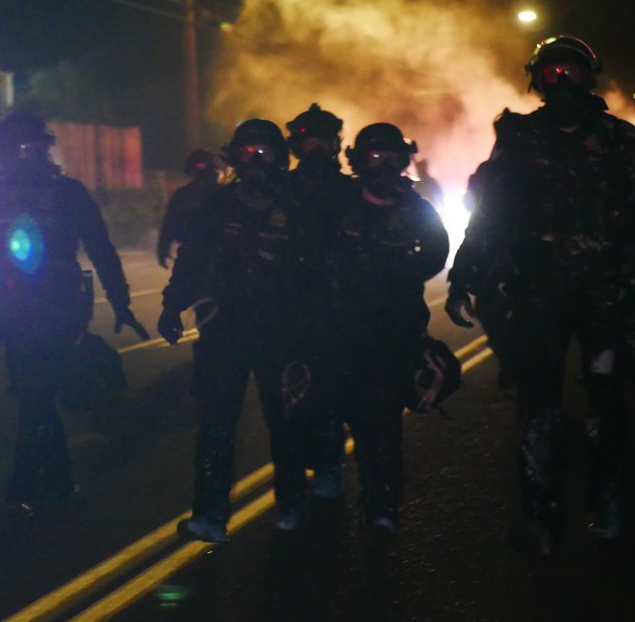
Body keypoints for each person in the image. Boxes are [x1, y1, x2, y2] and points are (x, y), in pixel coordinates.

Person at [445, 35, 635, 554]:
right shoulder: (519, 140)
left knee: (605, 402)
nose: (561, 83)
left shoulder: (619, 138)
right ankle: (541, 515)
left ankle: (607, 503)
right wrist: (464, 276)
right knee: (538, 405)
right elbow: (490, 213)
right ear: (536, 80)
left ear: (590, 77)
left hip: (605, 292)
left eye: (571, 74)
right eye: (551, 75)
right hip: (538, 292)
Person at [0, 113, 148, 514]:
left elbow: (101, 248)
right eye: (25, 148)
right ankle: (59, 479)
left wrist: (121, 300)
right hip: (15, 309)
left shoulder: (67, 193)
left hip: (59, 307)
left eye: (39, 147)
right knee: (34, 393)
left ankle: (24, 486)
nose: (34, 155)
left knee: (36, 395)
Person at [158, 119, 311, 542]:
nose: (258, 162)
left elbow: (321, 271)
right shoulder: (219, 205)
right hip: (226, 330)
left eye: (265, 153)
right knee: (216, 423)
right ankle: (210, 515)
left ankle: (292, 506)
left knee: (286, 423)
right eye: (248, 154)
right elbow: (190, 259)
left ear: (281, 158)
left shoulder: (299, 205)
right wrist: (173, 306)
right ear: (234, 159)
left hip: (282, 332)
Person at [327, 123, 449, 537]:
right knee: (346, 416)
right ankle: (354, 490)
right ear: (358, 161)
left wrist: (399, 273)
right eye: (374, 158)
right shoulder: (337, 205)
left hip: (396, 328)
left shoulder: (416, 209)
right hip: (342, 328)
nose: (382, 166)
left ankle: (383, 504)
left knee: (384, 423)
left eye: (391, 158)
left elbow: (436, 251)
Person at [284, 103, 355, 500]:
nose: (313, 148)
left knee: (331, 392)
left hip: (339, 304)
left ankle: (329, 466)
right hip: (290, 304)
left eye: (320, 141)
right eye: (307, 140)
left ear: (333, 145)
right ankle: (296, 475)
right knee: (292, 394)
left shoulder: (350, 190)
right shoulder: (282, 189)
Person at [156, 149, 220, 268]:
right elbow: (170, 223)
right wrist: (163, 248)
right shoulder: (183, 195)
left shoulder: (223, 193)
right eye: (198, 167)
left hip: (220, 253)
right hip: (191, 251)